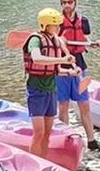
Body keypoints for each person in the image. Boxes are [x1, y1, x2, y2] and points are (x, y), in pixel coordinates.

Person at [23, 8, 76, 159]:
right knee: (39, 132)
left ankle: (43, 161)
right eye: (55, 25)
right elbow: (37, 58)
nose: (58, 28)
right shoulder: (35, 40)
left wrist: (71, 72)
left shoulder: (55, 41)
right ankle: (33, 163)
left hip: (51, 89)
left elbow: (56, 70)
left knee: (47, 133)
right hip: (36, 89)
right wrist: (63, 59)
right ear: (45, 25)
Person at [55, 0, 100, 151]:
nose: (67, 5)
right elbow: (53, 39)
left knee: (84, 104)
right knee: (63, 104)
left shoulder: (83, 21)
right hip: (61, 66)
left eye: (70, 2)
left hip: (79, 65)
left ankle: (91, 140)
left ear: (75, 2)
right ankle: (64, 138)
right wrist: (60, 41)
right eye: (64, 2)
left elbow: (84, 37)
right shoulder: (57, 21)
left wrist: (93, 43)